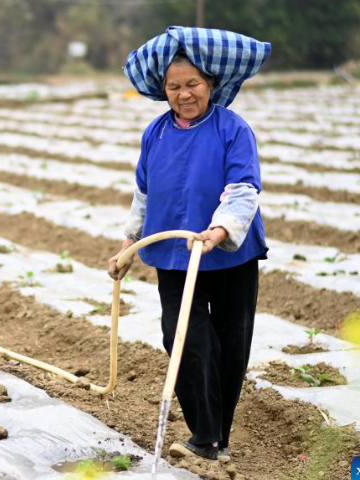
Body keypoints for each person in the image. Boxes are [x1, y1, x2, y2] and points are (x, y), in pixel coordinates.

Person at [109, 27, 272, 463]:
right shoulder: (156, 133)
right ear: (163, 90)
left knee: (230, 342)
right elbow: (144, 194)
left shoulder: (232, 129)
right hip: (176, 255)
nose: (184, 94)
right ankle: (207, 433)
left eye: (193, 84)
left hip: (229, 254)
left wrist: (217, 232)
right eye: (174, 86)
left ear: (211, 84)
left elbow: (243, 189)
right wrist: (128, 244)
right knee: (182, 338)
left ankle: (213, 438)